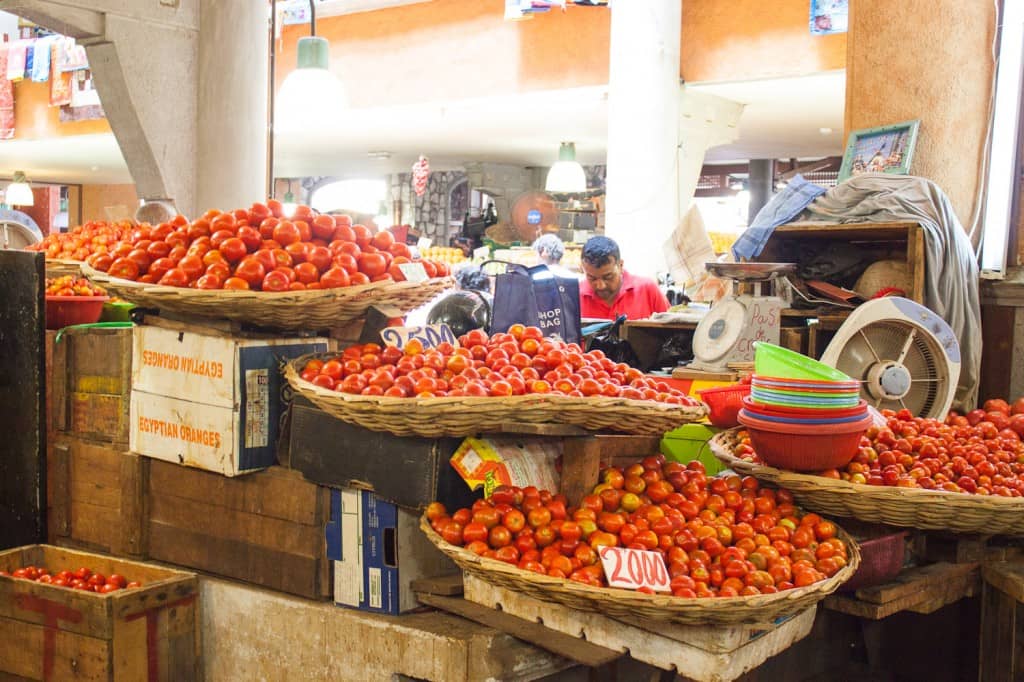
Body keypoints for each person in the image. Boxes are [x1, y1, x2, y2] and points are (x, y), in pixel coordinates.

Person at [578, 235, 669, 320]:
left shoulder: (647, 289)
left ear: (620, 265)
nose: (600, 286)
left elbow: (673, 330)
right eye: (592, 278)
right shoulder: (575, 296)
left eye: (608, 277)